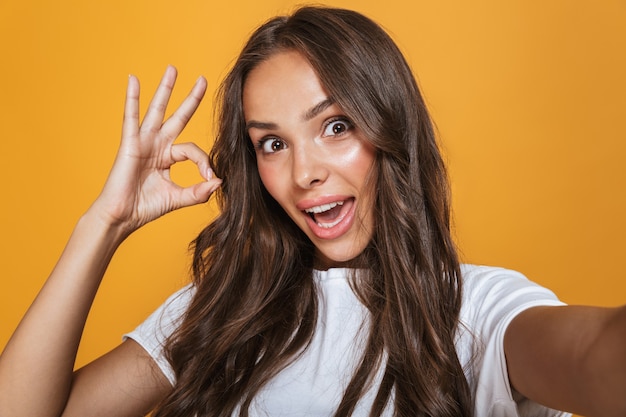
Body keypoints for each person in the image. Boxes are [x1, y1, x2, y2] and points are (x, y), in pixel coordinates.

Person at [0, 6, 624, 417]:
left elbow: (595, 355)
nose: (304, 174)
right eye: (272, 143)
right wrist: (103, 224)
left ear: (389, 127)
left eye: (335, 126)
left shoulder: (474, 312)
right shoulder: (223, 313)